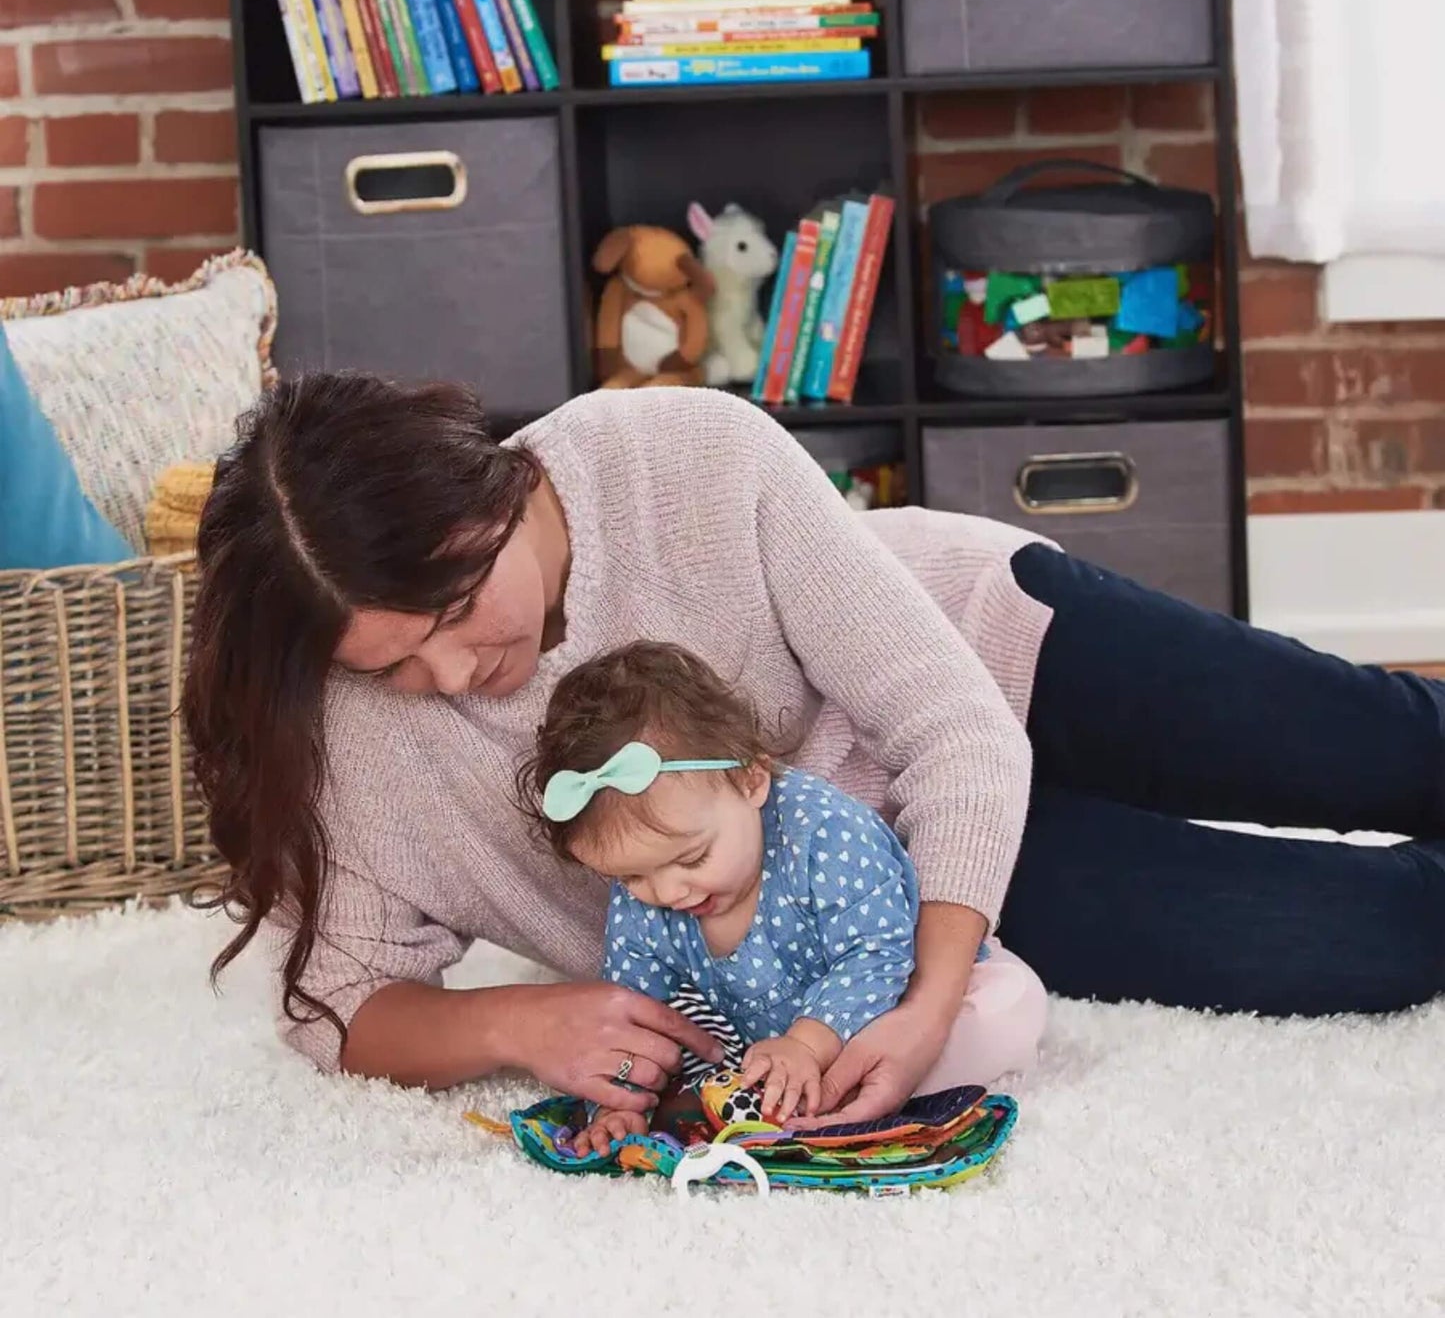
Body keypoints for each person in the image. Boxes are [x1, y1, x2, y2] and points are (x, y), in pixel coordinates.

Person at [184, 373, 1445, 1124]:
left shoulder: (683, 452)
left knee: (1384, 746)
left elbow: (950, 726)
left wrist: (929, 1006)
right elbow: (338, 1004)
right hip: (892, 881)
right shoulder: (358, 739)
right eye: (390, 661)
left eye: (459, 614)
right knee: (1374, 938)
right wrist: (520, 1020)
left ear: (490, 494)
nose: (449, 676)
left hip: (985, 652)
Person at [515, 640, 1048, 1153]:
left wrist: (809, 1045)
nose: (667, 891)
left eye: (692, 859)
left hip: (893, 997)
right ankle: (790, 1097)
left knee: (1007, 1007)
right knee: (688, 1077)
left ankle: (858, 1085)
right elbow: (641, 1010)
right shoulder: (649, 890)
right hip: (764, 1044)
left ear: (750, 782)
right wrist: (621, 1105)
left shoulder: (826, 832)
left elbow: (877, 956)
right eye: (631, 878)